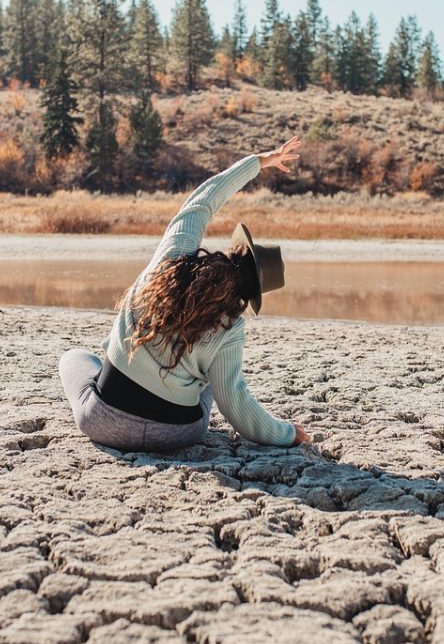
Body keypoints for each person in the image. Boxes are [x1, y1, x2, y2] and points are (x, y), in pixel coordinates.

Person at [59, 136, 311, 452]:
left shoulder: (170, 261)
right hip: (176, 434)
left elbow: (201, 202)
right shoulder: (230, 327)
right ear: (251, 295)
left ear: (231, 253)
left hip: (103, 422)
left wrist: (259, 161)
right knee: (210, 380)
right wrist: (287, 434)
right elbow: (235, 403)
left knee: (75, 358)